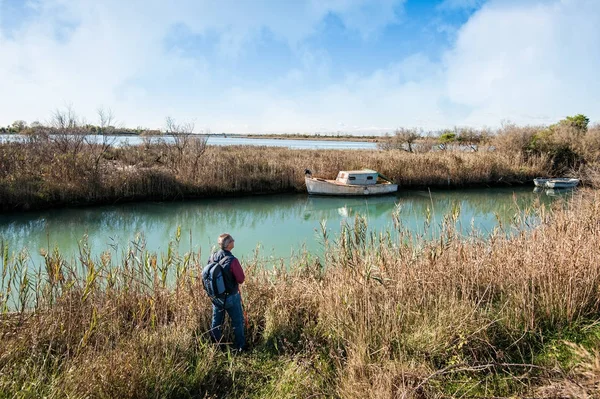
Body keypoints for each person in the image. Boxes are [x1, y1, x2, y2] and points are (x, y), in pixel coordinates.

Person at [208, 233, 246, 351]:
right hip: (231, 297)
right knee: (238, 322)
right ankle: (240, 346)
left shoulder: (212, 257)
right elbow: (241, 279)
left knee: (216, 322)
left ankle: (216, 346)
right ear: (229, 244)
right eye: (232, 240)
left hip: (216, 297)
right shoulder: (232, 260)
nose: (234, 240)